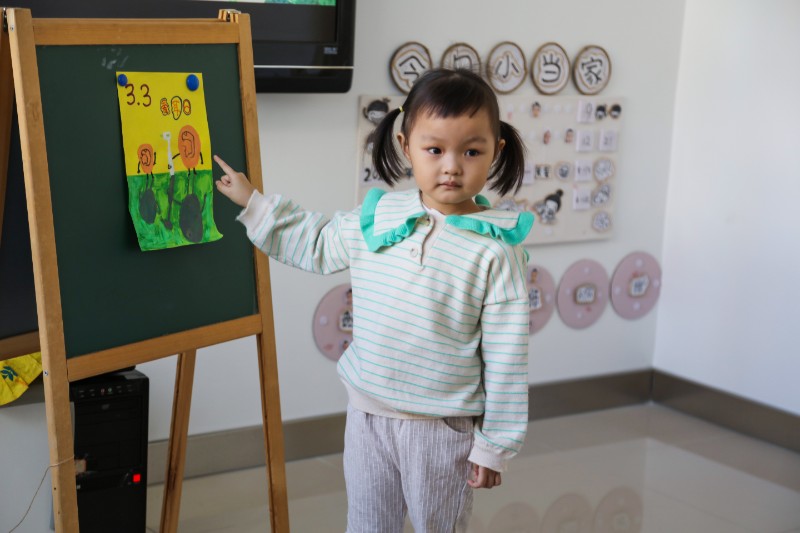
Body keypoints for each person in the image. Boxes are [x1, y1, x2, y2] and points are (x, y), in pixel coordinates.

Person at [214, 68, 532, 533]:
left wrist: (493, 446)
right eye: (434, 149)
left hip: (442, 427)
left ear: (495, 151)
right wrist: (254, 203)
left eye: (471, 151)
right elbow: (317, 242)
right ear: (406, 146)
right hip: (367, 415)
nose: (451, 166)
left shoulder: (497, 250)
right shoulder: (379, 218)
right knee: (367, 524)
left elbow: (507, 357)